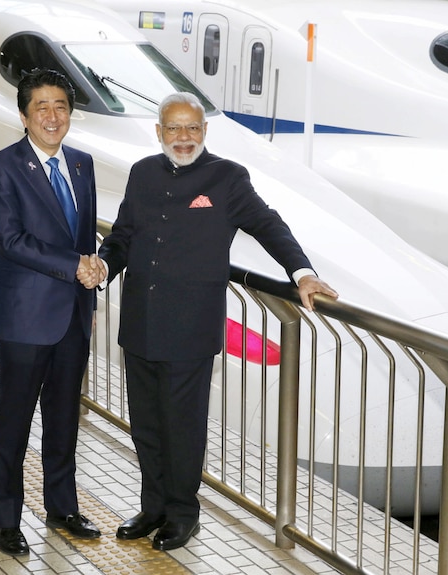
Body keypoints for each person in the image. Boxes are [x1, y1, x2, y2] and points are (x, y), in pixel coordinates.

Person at [96, 92, 339, 551]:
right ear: (159, 132)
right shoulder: (142, 172)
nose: (183, 137)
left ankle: (184, 515)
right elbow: (124, 234)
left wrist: (302, 273)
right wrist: (105, 266)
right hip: (141, 322)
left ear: (204, 132)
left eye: (192, 128)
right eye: (174, 128)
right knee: (146, 424)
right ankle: (153, 507)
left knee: (182, 427)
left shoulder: (227, 178)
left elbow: (268, 224)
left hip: (190, 328)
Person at [0, 68, 106, 557]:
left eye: (61, 107)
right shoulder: (3, 167)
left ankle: (62, 508)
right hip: (26, 318)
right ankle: (6, 519)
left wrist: (91, 281)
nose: (53, 117)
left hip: (73, 315)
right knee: (13, 421)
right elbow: (11, 240)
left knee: (63, 419)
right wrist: (76, 265)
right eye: (42, 108)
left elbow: (82, 236)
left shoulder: (81, 163)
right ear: (24, 115)